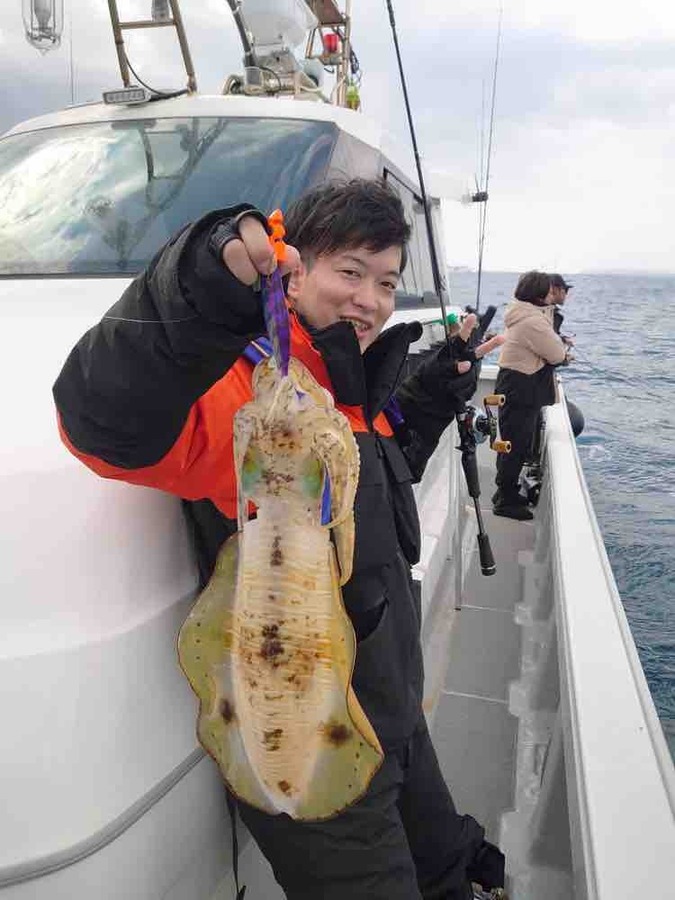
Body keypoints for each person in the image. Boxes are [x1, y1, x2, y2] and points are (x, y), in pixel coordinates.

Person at [53, 178, 506, 900]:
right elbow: (103, 421)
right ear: (293, 273)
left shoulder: (349, 386)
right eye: (350, 272)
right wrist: (202, 284)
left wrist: (430, 394)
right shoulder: (250, 398)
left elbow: (379, 483)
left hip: (392, 711)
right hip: (298, 727)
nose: (370, 299)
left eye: (386, 281)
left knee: (446, 864)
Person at [492, 270, 567, 520]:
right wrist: (562, 349)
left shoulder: (521, 312)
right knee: (516, 444)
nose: (552, 294)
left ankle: (505, 491)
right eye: (548, 290)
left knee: (510, 441)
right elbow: (557, 354)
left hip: (513, 383)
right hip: (522, 386)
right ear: (539, 294)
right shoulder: (533, 321)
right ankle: (505, 501)